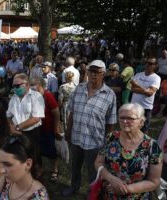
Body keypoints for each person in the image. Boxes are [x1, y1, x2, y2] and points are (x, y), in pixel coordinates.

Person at [62, 60, 117, 197]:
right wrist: (68, 131)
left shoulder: (110, 95)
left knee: (94, 170)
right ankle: (74, 186)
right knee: (75, 167)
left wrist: (108, 142)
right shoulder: (79, 88)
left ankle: (92, 192)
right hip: (76, 137)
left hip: (95, 141)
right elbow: (72, 113)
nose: (93, 75)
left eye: (97, 72)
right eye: (90, 71)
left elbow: (111, 122)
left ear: (103, 74)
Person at [95, 103, 162, 199]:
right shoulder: (111, 137)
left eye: (130, 118)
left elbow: (154, 182)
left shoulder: (153, 146)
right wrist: (111, 178)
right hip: (108, 194)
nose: (125, 121)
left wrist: (126, 189)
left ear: (141, 122)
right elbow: (98, 162)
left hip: (136, 196)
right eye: (122, 118)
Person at [0, 135, 50, 200]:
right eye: (1, 163)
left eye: (8, 164)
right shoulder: (6, 179)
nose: (2, 170)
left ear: (28, 164)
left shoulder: (38, 197)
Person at [6, 73, 45, 167]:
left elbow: (36, 118)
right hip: (15, 132)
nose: (15, 88)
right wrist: (11, 126)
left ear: (27, 85)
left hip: (31, 133)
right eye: (13, 86)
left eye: (17, 86)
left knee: (34, 157)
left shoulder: (36, 96)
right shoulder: (14, 98)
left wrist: (18, 128)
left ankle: (36, 177)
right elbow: (8, 115)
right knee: (19, 157)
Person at [30, 77, 62, 182]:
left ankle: (55, 170)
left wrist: (56, 129)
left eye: (36, 86)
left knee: (51, 151)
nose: (33, 88)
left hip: (48, 129)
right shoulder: (32, 96)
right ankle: (39, 169)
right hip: (36, 129)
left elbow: (56, 113)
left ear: (42, 86)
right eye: (32, 85)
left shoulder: (48, 96)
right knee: (37, 151)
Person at [130, 57, 161, 134]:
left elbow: (150, 93)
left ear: (155, 66)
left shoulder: (156, 78)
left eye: (150, 63)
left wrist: (137, 86)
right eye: (146, 63)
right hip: (134, 106)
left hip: (145, 108)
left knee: (143, 131)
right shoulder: (138, 74)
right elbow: (132, 89)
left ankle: (143, 145)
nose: (147, 65)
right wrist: (145, 90)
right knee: (132, 128)